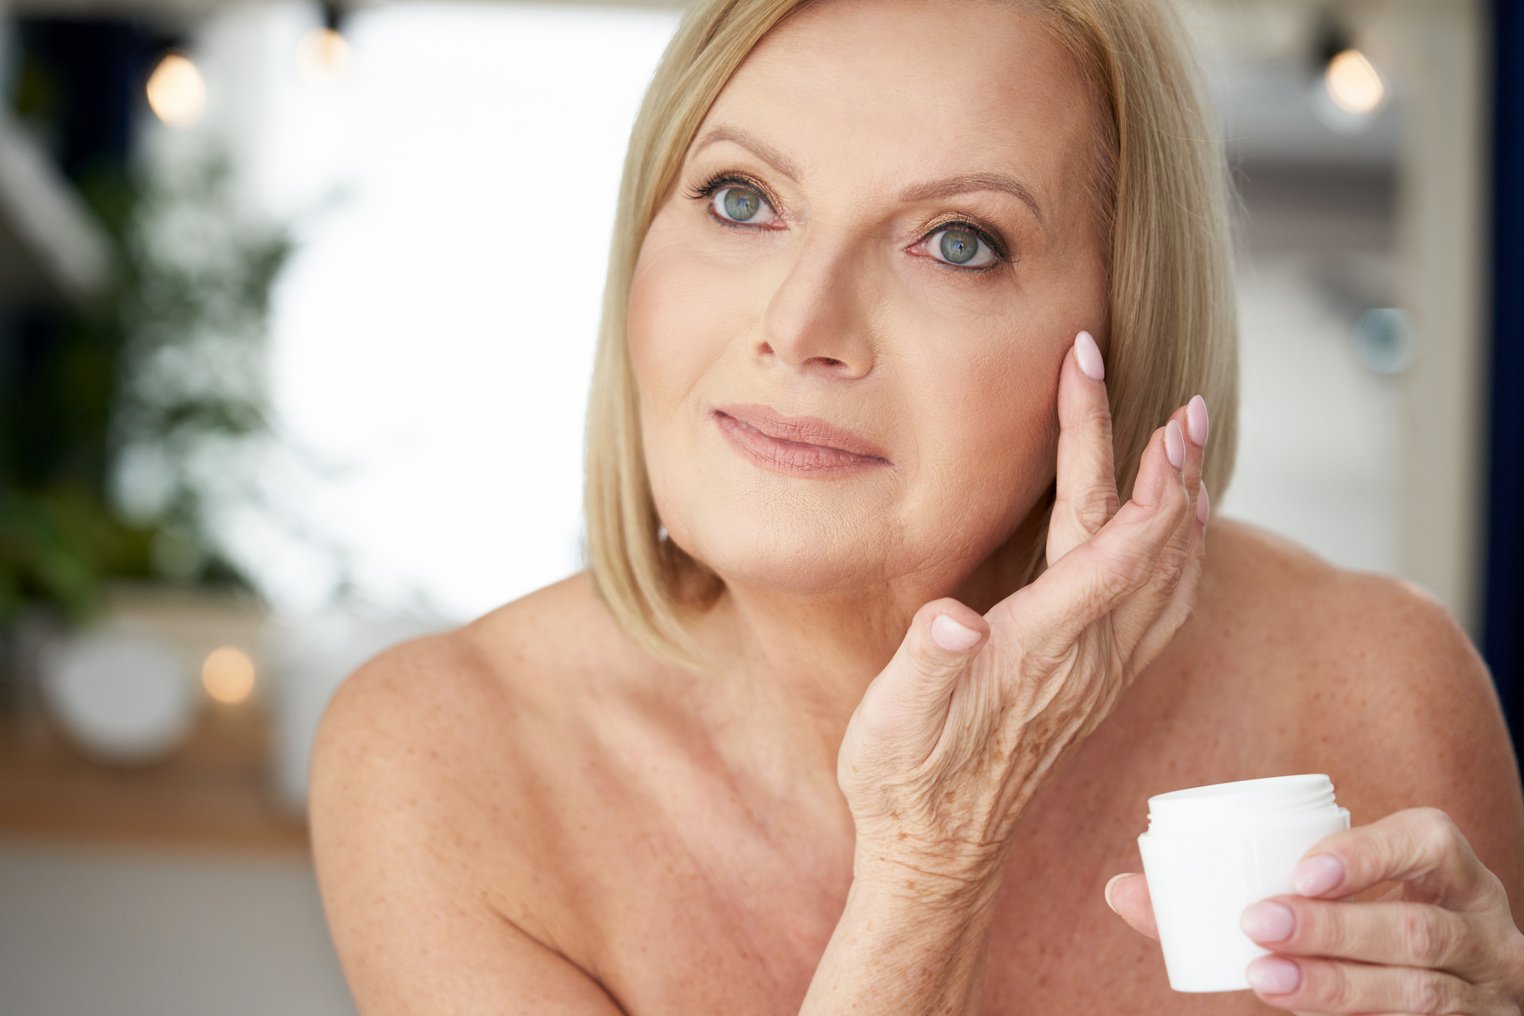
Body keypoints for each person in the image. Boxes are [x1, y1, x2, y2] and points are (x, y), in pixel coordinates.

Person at [307, 0, 1524, 1011]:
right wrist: (931, 861)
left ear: (1122, 330)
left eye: (956, 240)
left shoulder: (1363, 686)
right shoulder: (444, 760)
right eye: (740, 199)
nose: (800, 325)